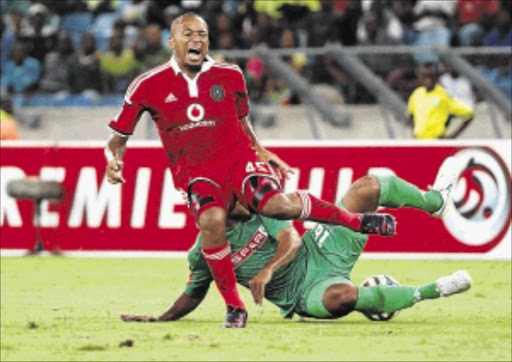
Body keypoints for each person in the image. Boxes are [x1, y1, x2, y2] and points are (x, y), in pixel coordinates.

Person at [105, 12, 395, 328]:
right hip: (197, 174)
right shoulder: (146, 85)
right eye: (188, 34)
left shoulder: (230, 74)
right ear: (171, 41)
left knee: (276, 205)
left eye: (202, 34)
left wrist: (259, 149)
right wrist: (113, 160)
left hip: (237, 160)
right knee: (211, 219)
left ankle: (355, 221)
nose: (196, 40)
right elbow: (117, 140)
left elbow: (244, 124)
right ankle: (235, 307)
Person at [120, 156, 471, 324]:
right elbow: (193, 292)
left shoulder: (262, 209)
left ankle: (436, 201)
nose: (246, 198)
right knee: (342, 298)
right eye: (235, 196)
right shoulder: (203, 253)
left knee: (371, 186)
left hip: (319, 247)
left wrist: (267, 270)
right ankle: (432, 289)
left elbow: (293, 240)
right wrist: (160, 319)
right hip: (303, 295)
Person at [407, 63, 474, 140]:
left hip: (436, 141)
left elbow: (469, 114)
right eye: (424, 76)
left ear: (437, 78)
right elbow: (411, 115)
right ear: (419, 77)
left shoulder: (443, 95)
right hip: (419, 141)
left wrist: (453, 136)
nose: (428, 80)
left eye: (431, 77)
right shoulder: (416, 94)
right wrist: (414, 132)